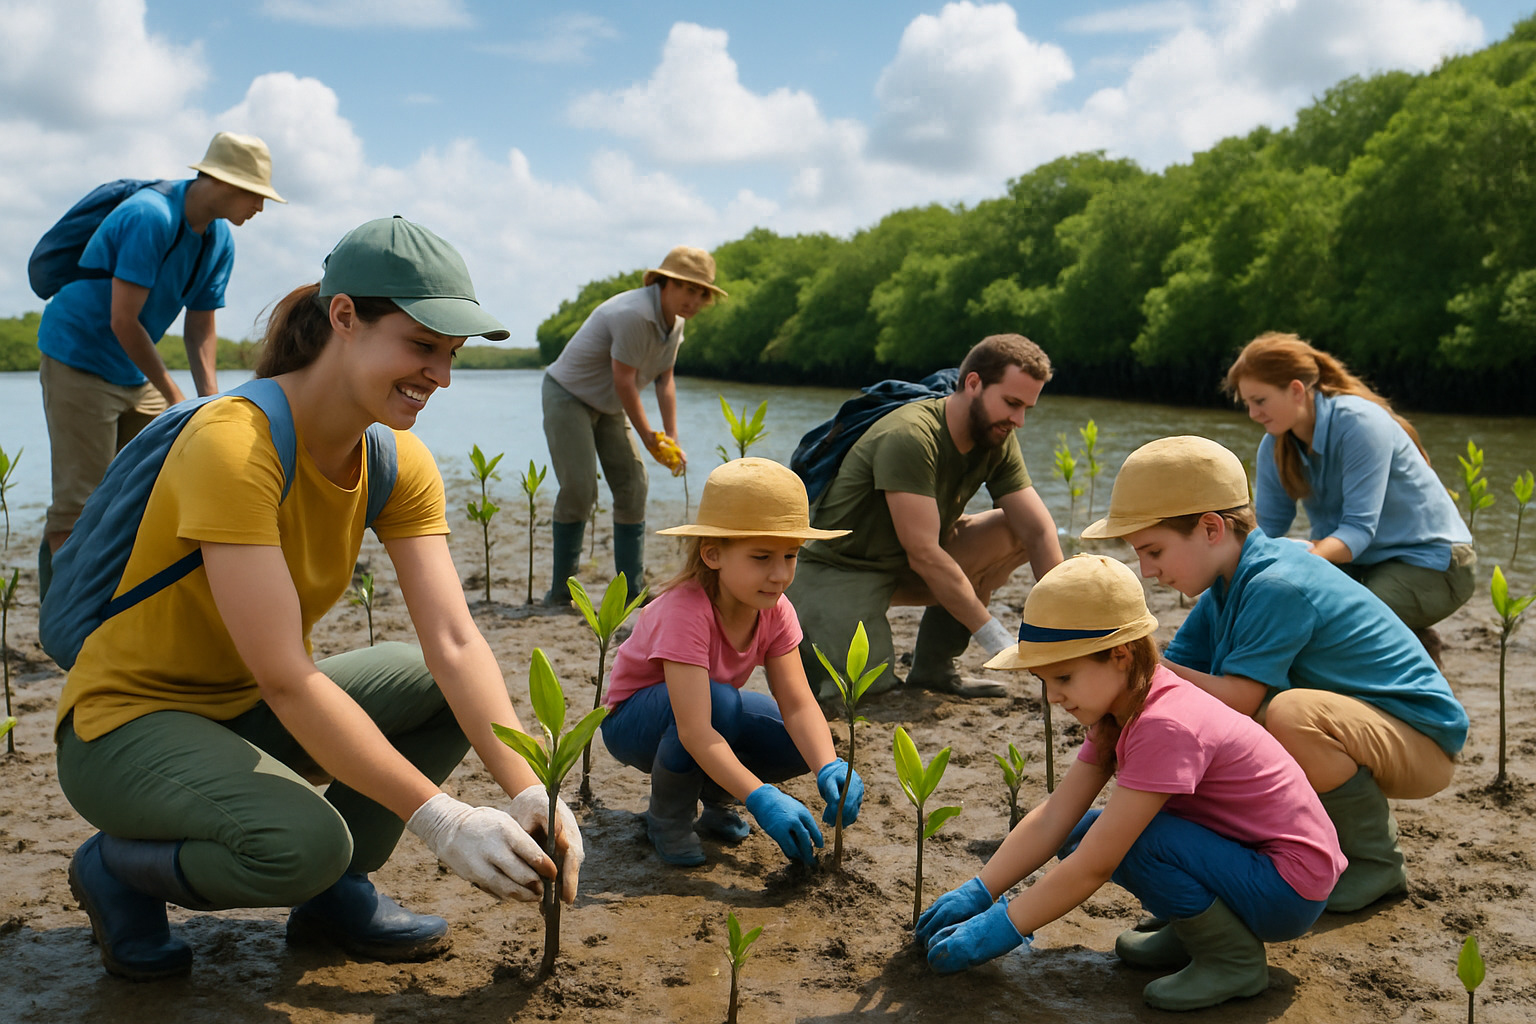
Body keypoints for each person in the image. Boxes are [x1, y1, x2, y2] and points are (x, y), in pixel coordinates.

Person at [54, 217, 583, 981]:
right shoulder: (235, 444)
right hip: (125, 725)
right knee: (301, 844)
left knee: (435, 682)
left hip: (238, 710)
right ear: (344, 318)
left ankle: (338, 897)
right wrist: (442, 819)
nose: (439, 374)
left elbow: (456, 642)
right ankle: (116, 867)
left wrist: (529, 786)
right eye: (421, 344)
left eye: (452, 354)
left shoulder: (394, 459)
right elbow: (286, 675)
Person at [916, 555, 1343, 1012]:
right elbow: (1056, 816)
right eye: (1043, 680)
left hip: (1287, 886)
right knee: (1083, 831)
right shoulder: (1121, 708)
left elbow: (1098, 864)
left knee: (1130, 841)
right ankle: (1195, 931)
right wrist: (982, 888)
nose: (1053, 696)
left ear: (1121, 654)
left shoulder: (1165, 723)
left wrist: (1004, 926)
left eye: (1063, 677)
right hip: (1246, 858)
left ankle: (1231, 958)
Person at [1080, 436, 1469, 913]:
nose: (1147, 571)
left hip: (1420, 741)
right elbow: (1171, 689)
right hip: (1366, 729)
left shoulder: (1275, 583)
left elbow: (1237, 699)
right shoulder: (1224, 585)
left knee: (1287, 713)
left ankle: (1375, 863)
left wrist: (1137, 661)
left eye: (1154, 551)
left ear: (1210, 529)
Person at [598, 458, 863, 868]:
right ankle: (668, 818)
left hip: (705, 713)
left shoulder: (776, 609)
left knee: (796, 737)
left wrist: (828, 766)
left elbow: (798, 703)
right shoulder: (685, 611)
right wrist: (761, 797)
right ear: (713, 554)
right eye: (761, 557)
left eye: (790, 556)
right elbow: (696, 729)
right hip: (634, 722)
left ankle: (717, 799)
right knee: (721, 704)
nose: (779, 575)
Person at [38, 132, 285, 566]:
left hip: (133, 371)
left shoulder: (219, 240)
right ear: (226, 182)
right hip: (77, 359)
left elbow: (200, 327)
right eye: (256, 195)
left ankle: (116, 613)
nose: (261, 208)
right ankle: (63, 629)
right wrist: (174, 394)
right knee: (76, 509)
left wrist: (209, 402)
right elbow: (123, 320)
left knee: (154, 484)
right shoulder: (149, 216)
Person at [788, 334, 1064, 700]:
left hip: (908, 562)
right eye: (1012, 403)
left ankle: (934, 668)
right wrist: (997, 640)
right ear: (973, 384)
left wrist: (1065, 628)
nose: (1019, 420)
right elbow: (924, 554)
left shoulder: (997, 433)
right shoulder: (911, 435)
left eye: (1027, 408)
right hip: (840, 568)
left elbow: (1039, 531)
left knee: (1013, 529)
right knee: (866, 693)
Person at [1225, 332, 1475, 663]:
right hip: (1363, 565)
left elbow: (1357, 530)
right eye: (1247, 404)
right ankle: (1413, 641)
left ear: (1296, 390)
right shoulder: (1275, 444)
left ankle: (1414, 655)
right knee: (1282, 606)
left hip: (1435, 565)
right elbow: (1267, 529)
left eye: (1261, 401)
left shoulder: (1359, 423)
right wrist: (1229, 575)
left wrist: (1296, 563)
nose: (1254, 414)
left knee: (1331, 626)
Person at [540, 246, 726, 606]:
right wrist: (650, 439)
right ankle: (560, 591)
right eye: (689, 288)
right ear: (665, 283)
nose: (696, 300)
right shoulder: (635, 314)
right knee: (580, 490)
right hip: (568, 395)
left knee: (633, 486)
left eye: (703, 293)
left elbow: (664, 381)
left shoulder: (676, 323)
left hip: (608, 404)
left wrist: (669, 437)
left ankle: (631, 591)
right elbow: (625, 381)